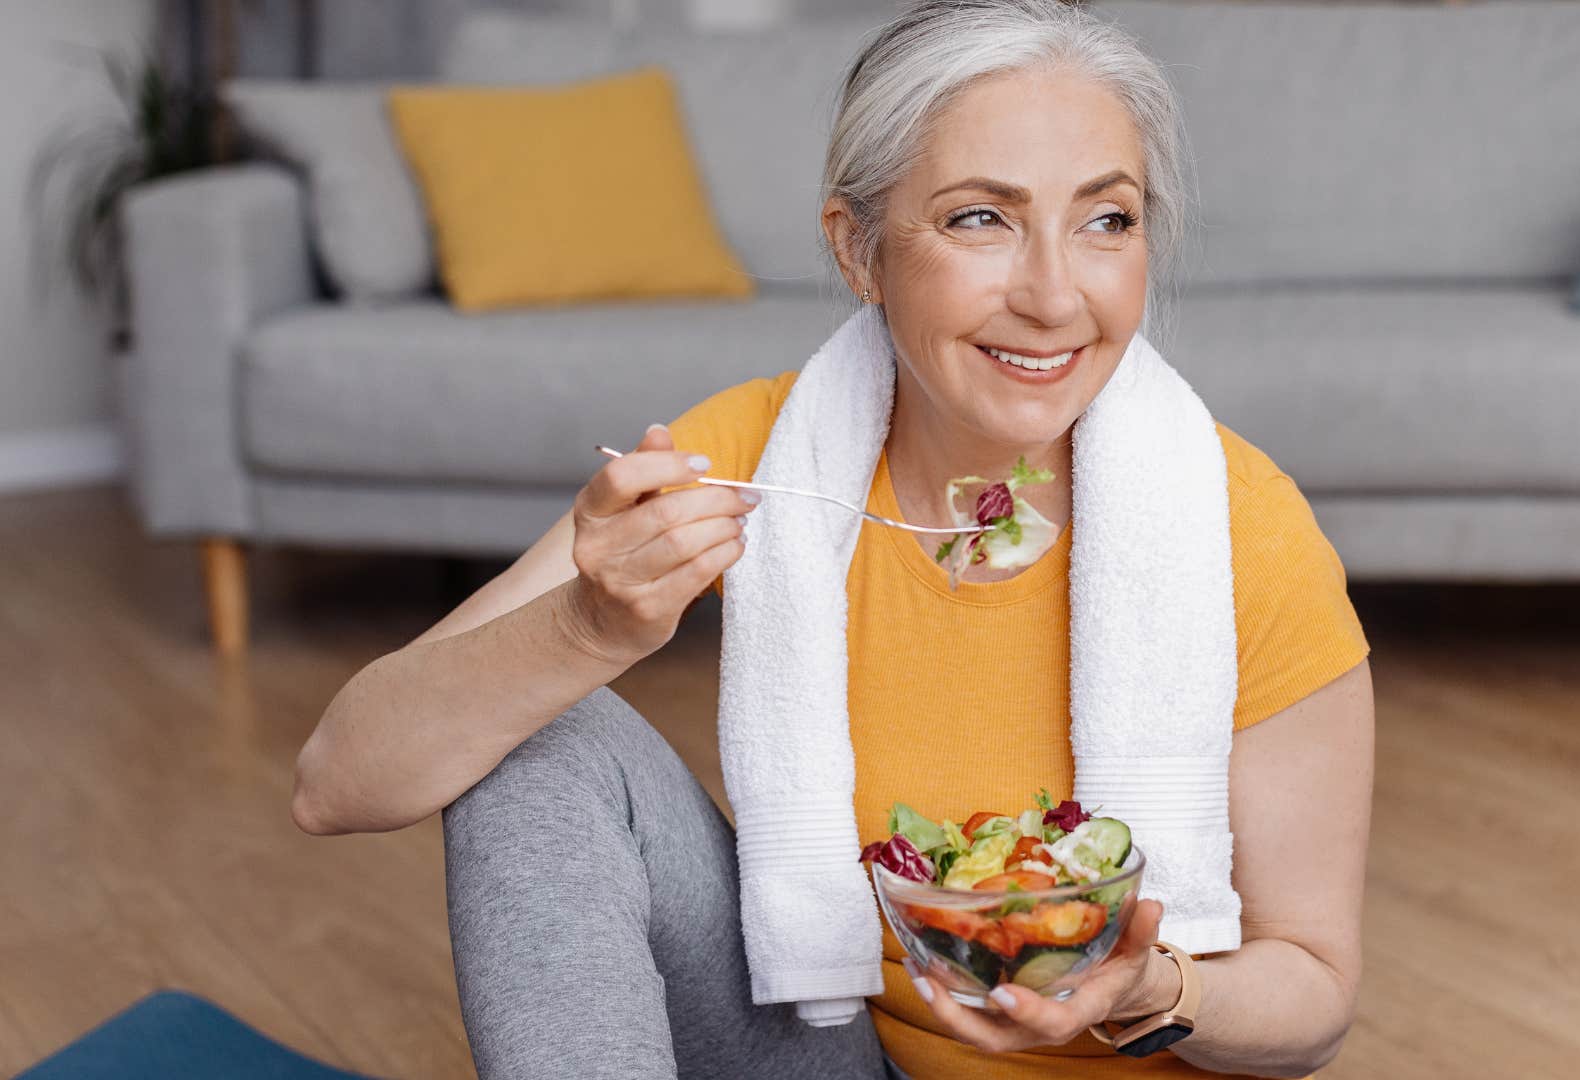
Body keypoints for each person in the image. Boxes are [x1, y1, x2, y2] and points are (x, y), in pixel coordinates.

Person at [293, 0, 1374, 1076]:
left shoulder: (1239, 524)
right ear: (858, 250)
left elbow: (1314, 1001)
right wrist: (585, 626)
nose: (1053, 296)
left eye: (1106, 221)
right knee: (534, 733)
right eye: (979, 219)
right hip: (832, 1056)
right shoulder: (762, 455)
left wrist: (1154, 984)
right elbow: (335, 784)